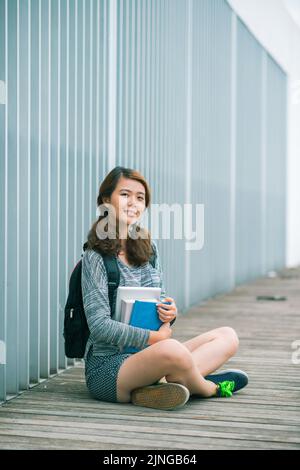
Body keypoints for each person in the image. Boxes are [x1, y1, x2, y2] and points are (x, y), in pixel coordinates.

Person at [82, 166, 248, 411]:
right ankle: (206, 387)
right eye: (125, 195)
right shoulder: (95, 255)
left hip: (152, 352)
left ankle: (157, 385)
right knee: (171, 349)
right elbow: (98, 325)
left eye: (140, 198)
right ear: (107, 200)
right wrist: (155, 338)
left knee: (227, 336)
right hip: (109, 367)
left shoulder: (148, 247)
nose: (133, 203)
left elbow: (159, 299)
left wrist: (169, 313)